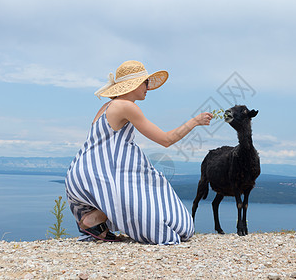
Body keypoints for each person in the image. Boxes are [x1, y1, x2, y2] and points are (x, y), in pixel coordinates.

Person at [65, 60, 213, 245]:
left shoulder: (107, 107)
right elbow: (166, 140)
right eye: (145, 82)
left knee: (144, 183)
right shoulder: (126, 106)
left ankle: (95, 219)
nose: (147, 87)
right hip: (100, 175)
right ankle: (96, 219)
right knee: (181, 225)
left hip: (82, 174)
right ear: (133, 84)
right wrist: (195, 121)